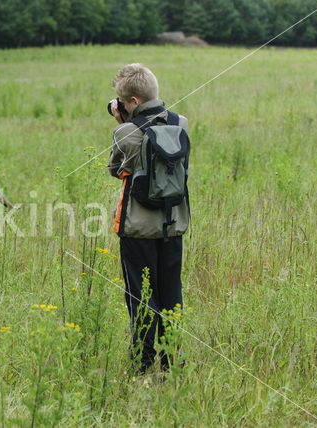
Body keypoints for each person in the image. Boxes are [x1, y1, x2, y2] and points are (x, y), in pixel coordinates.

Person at [108, 63, 190, 374]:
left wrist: (122, 122)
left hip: (138, 229)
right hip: (173, 225)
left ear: (133, 103)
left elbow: (117, 170)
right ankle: (171, 365)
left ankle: (141, 367)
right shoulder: (181, 124)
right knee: (171, 295)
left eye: (122, 101)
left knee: (140, 299)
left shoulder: (125, 131)